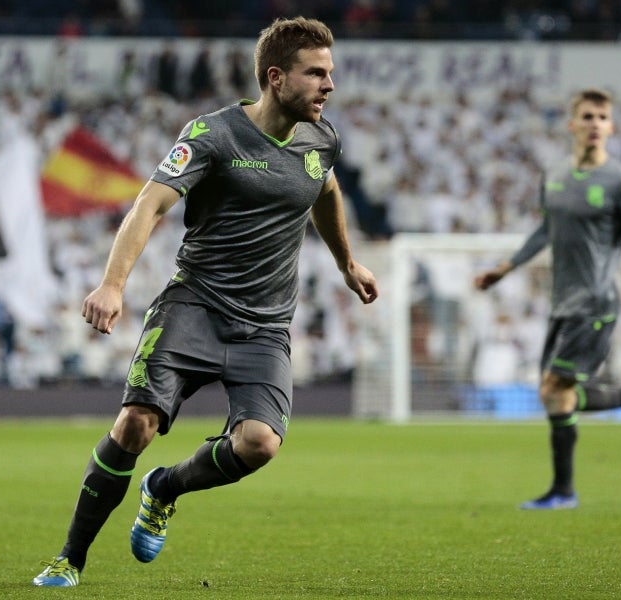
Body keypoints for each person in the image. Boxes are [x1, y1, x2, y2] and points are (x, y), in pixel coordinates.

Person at [32, 17, 379, 586]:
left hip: (265, 328)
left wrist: (346, 262)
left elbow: (326, 188)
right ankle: (70, 558)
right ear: (276, 77)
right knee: (135, 426)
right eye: (315, 73)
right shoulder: (213, 134)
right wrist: (113, 284)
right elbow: (149, 203)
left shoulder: (323, 140)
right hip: (194, 307)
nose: (329, 85)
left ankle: (164, 488)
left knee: (260, 444)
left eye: (330, 73)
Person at [474, 87, 621, 511]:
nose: (595, 124)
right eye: (588, 116)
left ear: (611, 127)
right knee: (555, 394)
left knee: (556, 388)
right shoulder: (554, 175)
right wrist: (506, 268)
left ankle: (564, 491)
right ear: (572, 124)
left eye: (602, 117)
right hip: (562, 302)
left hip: (596, 303)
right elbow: (545, 231)